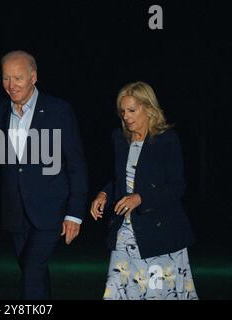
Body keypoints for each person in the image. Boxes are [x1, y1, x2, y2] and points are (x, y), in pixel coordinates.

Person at [0, 50, 88, 299]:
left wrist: (75, 214)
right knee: (31, 270)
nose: (11, 86)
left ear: (33, 77)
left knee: (32, 270)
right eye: (5, 78)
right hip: (15, 213)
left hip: (50, 210)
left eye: (18, 78)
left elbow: (76, 165)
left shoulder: (59, 111)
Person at [90, 81, 198, 300]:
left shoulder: (167, 140)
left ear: (149, 109)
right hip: (125, 232)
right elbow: (119, 180)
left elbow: (177, 186)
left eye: (132, 110)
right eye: (123, 111)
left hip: (159, 233)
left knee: (155, 294)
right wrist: (104, 194)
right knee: (117, 292)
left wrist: (141, 198)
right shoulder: (119, 139)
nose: (126, 117)